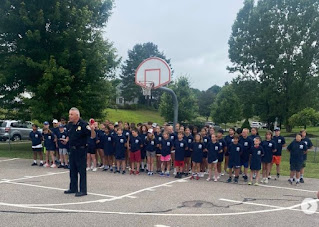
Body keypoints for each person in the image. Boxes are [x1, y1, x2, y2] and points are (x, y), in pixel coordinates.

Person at [63, 107, 96, 197]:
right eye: (69, 114)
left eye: (71, 114)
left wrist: (92, 129)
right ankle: (73, 188)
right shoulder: (70, 125)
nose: (69, 116)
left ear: (77, 115)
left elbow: (92, 136)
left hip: (81, 150)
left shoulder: (84, 125)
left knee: (81, 171)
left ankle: (83, 190)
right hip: (72, 149)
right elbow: (70, 135)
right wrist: (66, 140)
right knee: (72, 170)